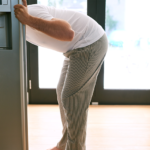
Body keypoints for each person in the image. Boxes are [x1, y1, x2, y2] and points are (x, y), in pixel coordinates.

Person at [14, 0, 108, 150]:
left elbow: (68, 33)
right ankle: (65, 144)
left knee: (71, 96)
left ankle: (75, 147)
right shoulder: (12, 25)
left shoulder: (32, 13)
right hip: (74, 49)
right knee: (62, 91)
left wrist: (29, 19)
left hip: (89, 42)